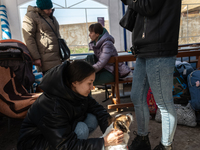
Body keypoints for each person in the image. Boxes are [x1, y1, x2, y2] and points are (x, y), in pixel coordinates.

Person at [17, 60, 124, 150]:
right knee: (81, 130)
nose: (93, 87)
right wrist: (104, 142)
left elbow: (97, 109)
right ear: (75, 82)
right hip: (36, 145)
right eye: (89, 83)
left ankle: (81, 144)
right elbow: (65, 145)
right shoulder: (53, 106)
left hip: (57, 134)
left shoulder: (75, 91)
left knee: (92, 118)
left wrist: (112, 129)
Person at [120, 0, 182, 150]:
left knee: (164, 103)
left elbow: (149, 6)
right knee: (137, 96)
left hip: (159, 47)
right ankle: (143, 138)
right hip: (145, 48)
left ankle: (165, 146)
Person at [22, 0, 62, 74]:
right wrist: (36, 57)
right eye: (48, 9)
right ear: (41, 9)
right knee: (51, 83)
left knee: (59, 82)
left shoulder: (51, 18)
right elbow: (29, 38)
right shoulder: (30, 17)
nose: (50, 11)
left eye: (51, 8)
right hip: (46, 59)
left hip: (57, 58)